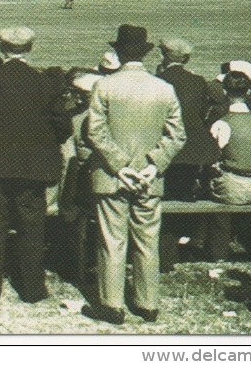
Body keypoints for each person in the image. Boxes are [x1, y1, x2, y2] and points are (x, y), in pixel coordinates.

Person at [0, 27, 73, 304]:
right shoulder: (45, 83)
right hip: (34, 168)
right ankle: (32, 288)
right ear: (29, 49)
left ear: (2, 49)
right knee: (32, 227)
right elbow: (63, 126)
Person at [81, 24, 185, 325]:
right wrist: (153, 165)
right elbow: (177, 135)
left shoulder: (105, 86)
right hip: (150, 178)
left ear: (118, 52)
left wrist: (120, 165)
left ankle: (112, 304)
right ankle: (148, 302)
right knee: (147, 240)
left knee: (112, 241)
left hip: (113, 177)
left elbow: (95, 132)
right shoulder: (163, 88)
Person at [155, 38, 220, 263]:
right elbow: (202, 112)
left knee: (164, 199)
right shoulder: (198, 81)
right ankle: (181, 246)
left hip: (165, 147)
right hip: (193, 148)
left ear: (164, 55)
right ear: (187, 58)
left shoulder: (158, 80)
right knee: (185, 195)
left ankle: (166, 253)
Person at [206, 70, 251, 255]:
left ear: (225, 93)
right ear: (249, 92)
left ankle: (217, 251)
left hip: (232, 187)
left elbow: (213, 156)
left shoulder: (222, 123)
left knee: (213, 186)